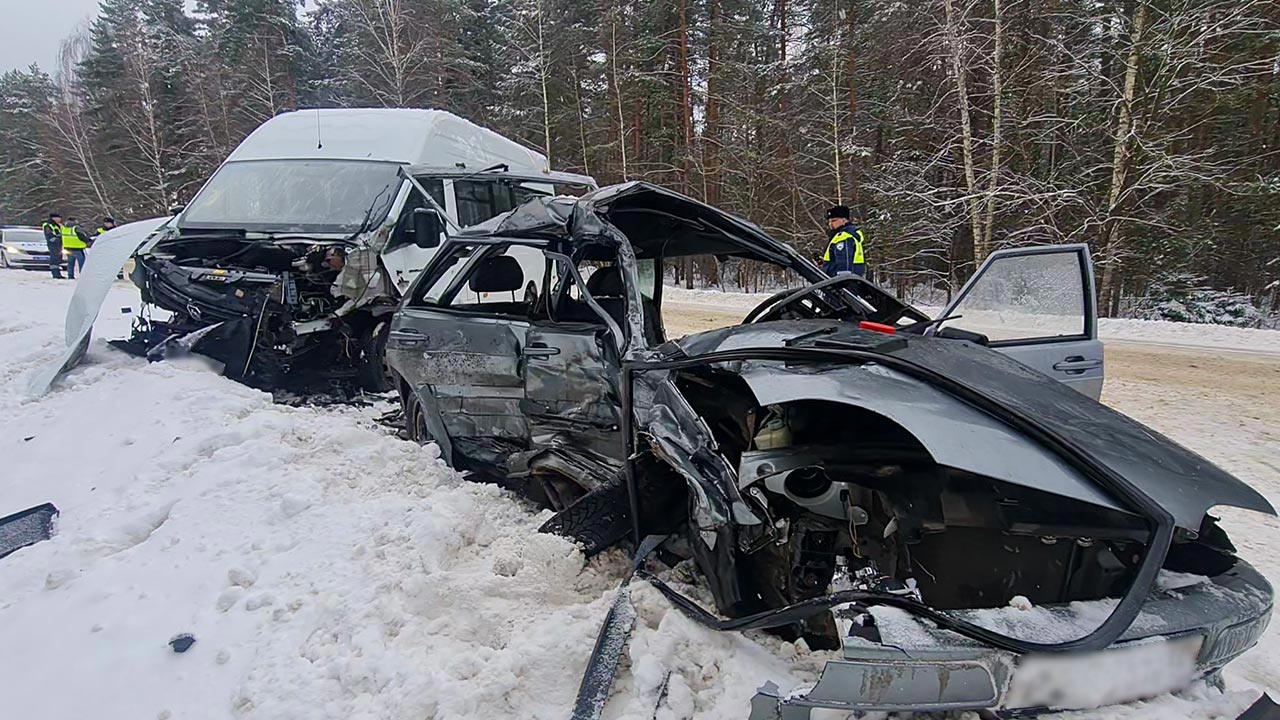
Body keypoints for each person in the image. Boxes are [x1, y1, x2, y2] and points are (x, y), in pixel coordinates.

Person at [822, 205, 866, 277]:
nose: (830, 224)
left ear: (843, 220)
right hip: (852, 279)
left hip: (842, 282)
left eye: (834, 220)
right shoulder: (849, 235)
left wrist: (843, 280)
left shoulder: (843, 237)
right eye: (829, 221)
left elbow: (844, 260)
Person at [42, 213, 67, 279]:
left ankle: (57, 273)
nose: (60, 219)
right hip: (53, 244)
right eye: (59, 218)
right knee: (54, 259)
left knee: (58, 258)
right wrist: (57, 240)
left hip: (59, 244)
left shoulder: (59, 225)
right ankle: (55, 274)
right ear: (54, 218)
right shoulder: (48, 225)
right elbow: (49, 235)